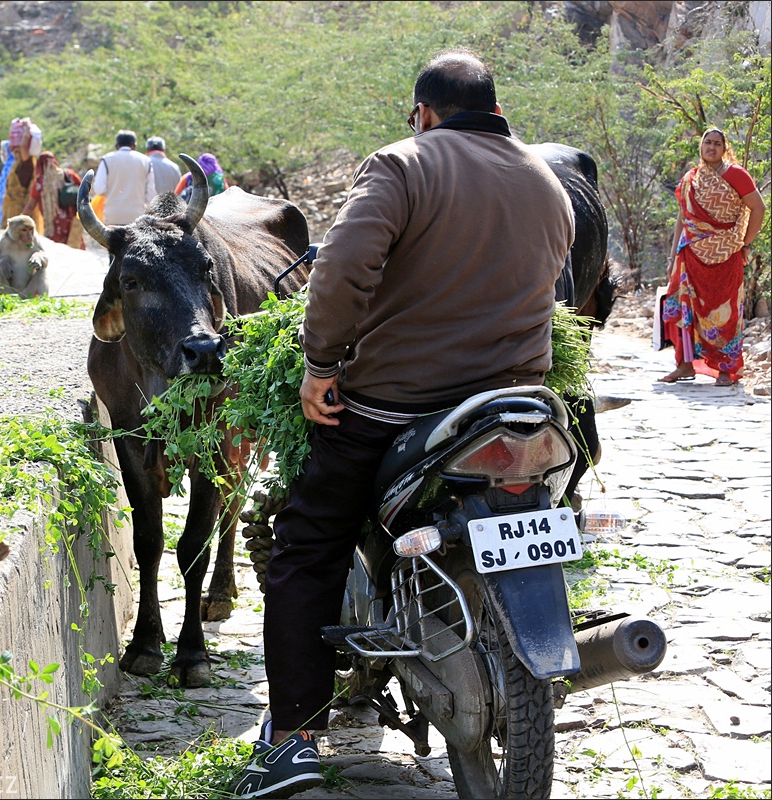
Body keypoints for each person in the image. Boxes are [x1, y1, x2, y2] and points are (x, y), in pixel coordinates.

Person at [230, 49, 575, 799]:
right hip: (517, 403)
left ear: (423, 111)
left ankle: (291, 741)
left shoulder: (404, 162)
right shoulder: (548, 180)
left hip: (395, 408)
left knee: (307, 546)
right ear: (494, 107)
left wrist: (321, 365)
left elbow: (344, 267)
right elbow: (559, 285)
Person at [659, 127, 765, 387]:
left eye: (718, 143)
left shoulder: (736, 175)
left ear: (724, 148)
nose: (712, 147)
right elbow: (683, 218)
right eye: (708, 142)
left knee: (726, 313)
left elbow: (758, 208)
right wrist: (673, 255)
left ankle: (726, 370)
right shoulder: (691, 178)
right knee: (687, 308)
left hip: (727, 253)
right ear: (701, 146)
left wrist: (746, 244)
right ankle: (684, 365)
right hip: (690, 254)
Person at [21, 151, 86, 250]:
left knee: (57, 251)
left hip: (53, 226)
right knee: (74, 247)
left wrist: (19, 221)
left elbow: (30, 206)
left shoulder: (40, 184)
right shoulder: (69, 175)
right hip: (72, 222)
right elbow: (83, 189)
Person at [91, 129, 156, 225]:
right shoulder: (146, 161)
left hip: (113, 216)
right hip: (137, 216)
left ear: (117, 146)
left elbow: (99, 189)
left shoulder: (107, 159)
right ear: (134, 146)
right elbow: (151, 194)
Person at [1, 118, 44, 234]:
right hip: (10, 211)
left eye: (17, 152)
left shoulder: (27, 165)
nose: (15, 154)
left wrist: (25, 131)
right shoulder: (17, 166)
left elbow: (24, 147)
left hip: (19, 211)